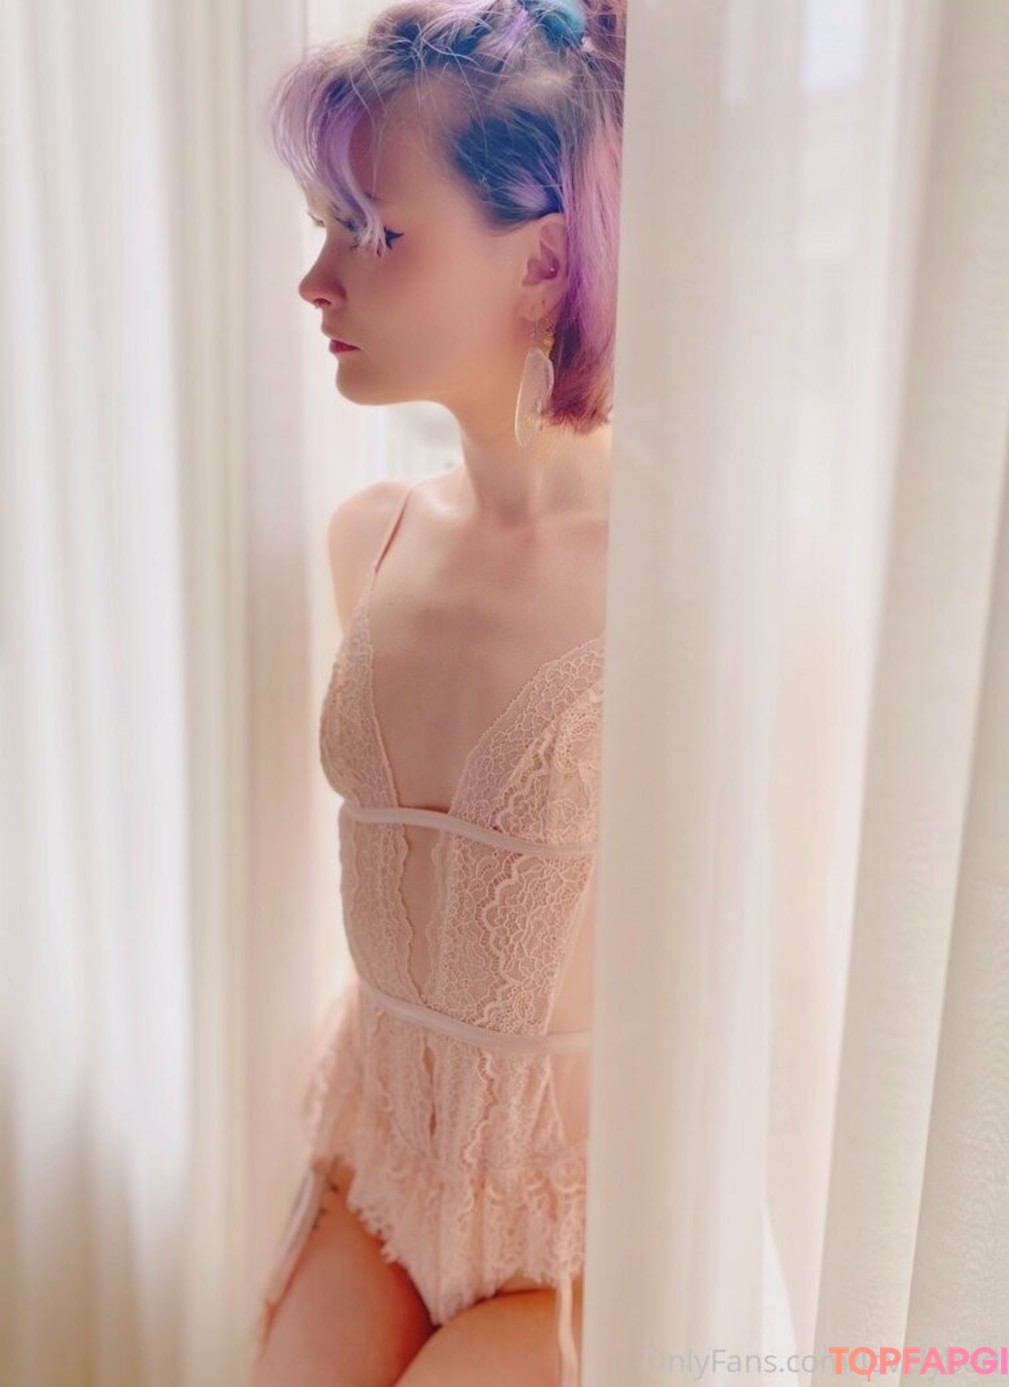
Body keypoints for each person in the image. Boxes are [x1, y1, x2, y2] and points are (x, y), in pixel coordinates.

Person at [249, 1, 625, 1382]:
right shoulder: (374, 537)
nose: (316, 282)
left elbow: (786, 976)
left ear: (544, 262)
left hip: (582, 1231)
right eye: (325, 226)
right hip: (384, 1165)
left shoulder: (682, 596)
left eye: (372, 231)